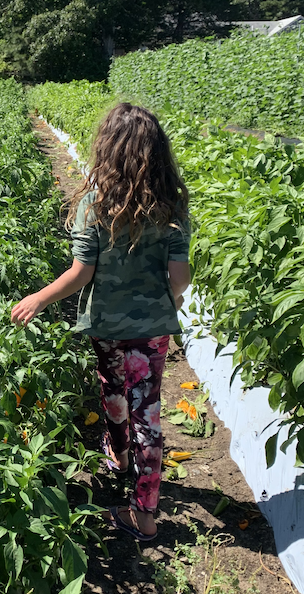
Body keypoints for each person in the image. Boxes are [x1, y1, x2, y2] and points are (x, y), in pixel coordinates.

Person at [11, 103, 191, 542]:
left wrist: (37, 297)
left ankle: (119, 460)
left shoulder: (95, 204)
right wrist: (164, 298)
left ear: (106, 150)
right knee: (148, 412)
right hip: (152, 330)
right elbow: (180, 278)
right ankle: (144, 511)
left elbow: (80, 274)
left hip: (107, 324)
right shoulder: (172, 203)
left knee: (112, 390)